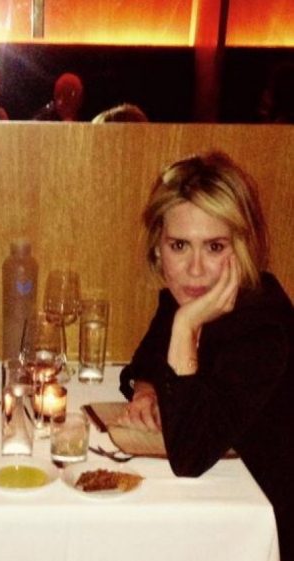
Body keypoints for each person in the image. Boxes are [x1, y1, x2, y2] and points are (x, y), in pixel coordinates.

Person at [119, 151, 293, 560]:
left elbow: (190, 456)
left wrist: (185, 328)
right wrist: (146, 390)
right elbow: (146, 359)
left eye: (215, 247)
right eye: (179, 245)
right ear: (158, 248)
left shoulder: (263, 326)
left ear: (242, 246)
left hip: (272, 534)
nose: (195, 269)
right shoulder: (186, 299)